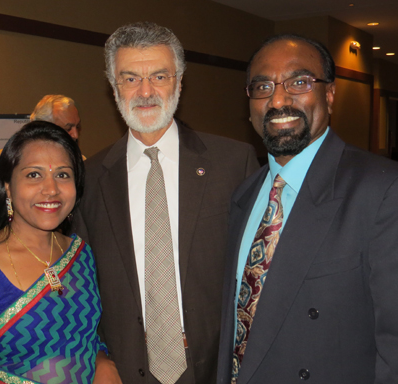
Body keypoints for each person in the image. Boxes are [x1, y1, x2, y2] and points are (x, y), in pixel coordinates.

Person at [216, 34, 398, 384]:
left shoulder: (390, 192)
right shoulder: (244, 195)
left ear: (329, 95)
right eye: (263, 86)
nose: (279, 99)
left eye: (299, 82)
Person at [73, 22, 259, 384]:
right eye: (129, 79)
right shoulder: (90, 178)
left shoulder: (234, 163)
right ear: (114, 87)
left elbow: (259, 274)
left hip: (217, 366)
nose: (145, 91)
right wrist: (95, 356)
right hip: (124, 369)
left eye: (159, 76)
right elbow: (80, 286)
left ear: (179, 80)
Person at [0, 121, 120, 383]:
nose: (51, 189)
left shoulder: (82, 254)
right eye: (34, 174)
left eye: (63, 175)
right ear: (7, 185)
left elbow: (86, 335)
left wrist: (102, 362)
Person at [0, 94, 82, 206]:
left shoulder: (82, 161)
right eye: (68, 128)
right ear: (43, 126)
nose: (75, 135)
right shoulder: (1, 159)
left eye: (77, 127)